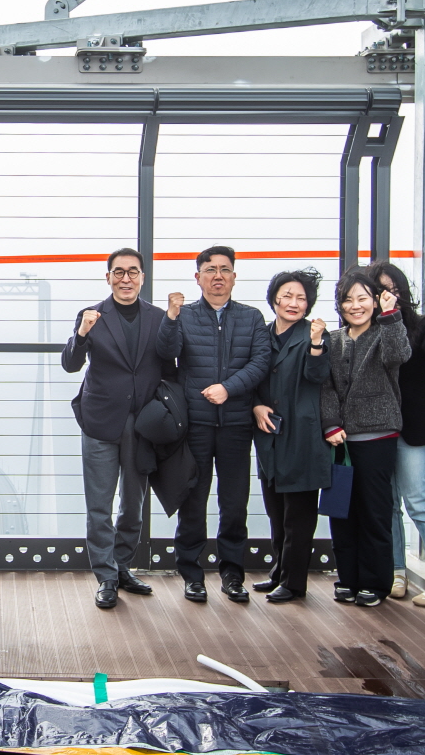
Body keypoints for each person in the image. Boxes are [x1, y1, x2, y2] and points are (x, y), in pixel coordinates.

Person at [62, 248, 182, 609]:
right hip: (100, 420)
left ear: (142, 277)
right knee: (99, 505)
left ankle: (122, 566)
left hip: (142, 424)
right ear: (108, 277)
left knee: (134, 503)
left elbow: (171, 366)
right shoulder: (92, 315)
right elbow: (70, 364)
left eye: (132, 272)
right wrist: (82, 333)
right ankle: (106, 577)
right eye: (118, 272)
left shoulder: (159, 317)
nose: (125, 278)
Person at [170, 246, 271, 604]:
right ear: (197, 277)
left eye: (225, 269)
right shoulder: (184, 316)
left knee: (234, 502)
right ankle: (191, 575)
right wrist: (170, 317)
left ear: (234, 277)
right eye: (210, 269)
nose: (218, 276)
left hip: (236, 424)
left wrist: (229, 388)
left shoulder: (252, 317)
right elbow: (166, 354)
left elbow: (261, 362)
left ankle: (232, 574)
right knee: (192, 501)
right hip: (195, 424)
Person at [369, 262, 425, 607]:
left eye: (394, 289)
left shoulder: (419, 324)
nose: (388, 295)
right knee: (387, 503)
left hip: (414, 422)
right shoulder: (366, 326)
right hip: (377, 425)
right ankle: (396, 570)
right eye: (381, 289)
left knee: (419, 502)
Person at [319, 269, 410, 607]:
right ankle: (348, 578)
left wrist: (390, 314)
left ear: (374, 301)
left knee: (374, 511)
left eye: (362, 298)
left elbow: (398, 355)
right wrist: (330, 424)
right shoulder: (333, 339)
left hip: (377, 436)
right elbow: (325, 387)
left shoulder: (386, 331)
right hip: (340, 440)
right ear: (339, 305)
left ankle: (375, 582)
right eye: (348, 300)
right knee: (341, 512)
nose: (355, 306)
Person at [250, 269, 327, 604]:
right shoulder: (262, 335)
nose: (294, 303)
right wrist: (255, 406)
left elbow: (318, 375)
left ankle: (294, 583)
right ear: (274, 300)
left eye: (301, 298)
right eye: (287, 296)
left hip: (303, 436)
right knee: (276, 512)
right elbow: (250, 378)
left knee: (299, 515)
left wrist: (317, 345)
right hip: (270, 437)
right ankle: (279, 571)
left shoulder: (314, 334)